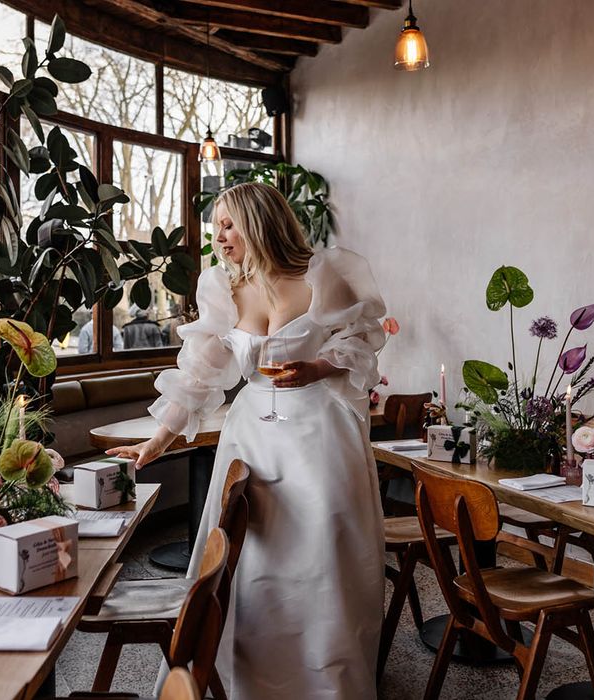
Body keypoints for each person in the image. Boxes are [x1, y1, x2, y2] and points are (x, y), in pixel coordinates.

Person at [106, 182, 386, 700]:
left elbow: (362, 341)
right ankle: (252, 680)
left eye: (229, 224)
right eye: (216, 227)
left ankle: (326, 683)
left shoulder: (323, 278)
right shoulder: (221, 288)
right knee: (251, 556)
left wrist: (317, 368)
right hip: (251, 437)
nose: (219, 236)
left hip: (319, 434)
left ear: (261, 222)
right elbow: (199, 373)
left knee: (318, 554)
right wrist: (157, 441)